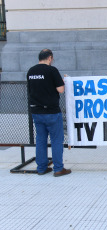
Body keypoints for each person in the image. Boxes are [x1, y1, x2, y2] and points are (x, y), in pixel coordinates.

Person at [27, 49, 71, 177]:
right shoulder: (52, 70)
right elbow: (61, 90)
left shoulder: (31, 71)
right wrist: (63, 82)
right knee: (56, 140)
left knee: (40, 139)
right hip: (51, 112)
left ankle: (41, 168)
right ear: (50, 58)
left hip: (36, 111)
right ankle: (58, 168)